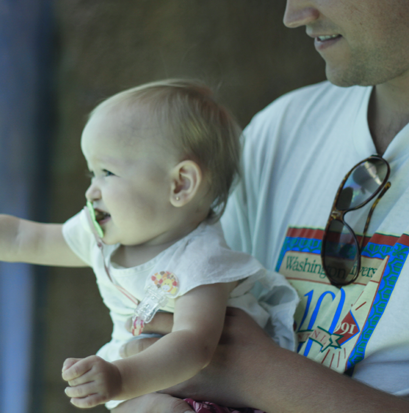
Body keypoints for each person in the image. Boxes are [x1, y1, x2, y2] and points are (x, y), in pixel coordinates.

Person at [0, 79, 298, 410]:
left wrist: (119, 378)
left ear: (180, 184)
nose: (91, 190)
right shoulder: (100, 238)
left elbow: (194, 346)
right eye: (92, 173)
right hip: (148, 383)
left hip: (219, 389)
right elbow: (18, 237)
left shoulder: (201, 260)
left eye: (107, 173)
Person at [112, 0, 409, 412]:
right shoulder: (283, 129)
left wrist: (262, 375)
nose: (294, 15)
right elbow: (154, 343)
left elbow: (215, 361)